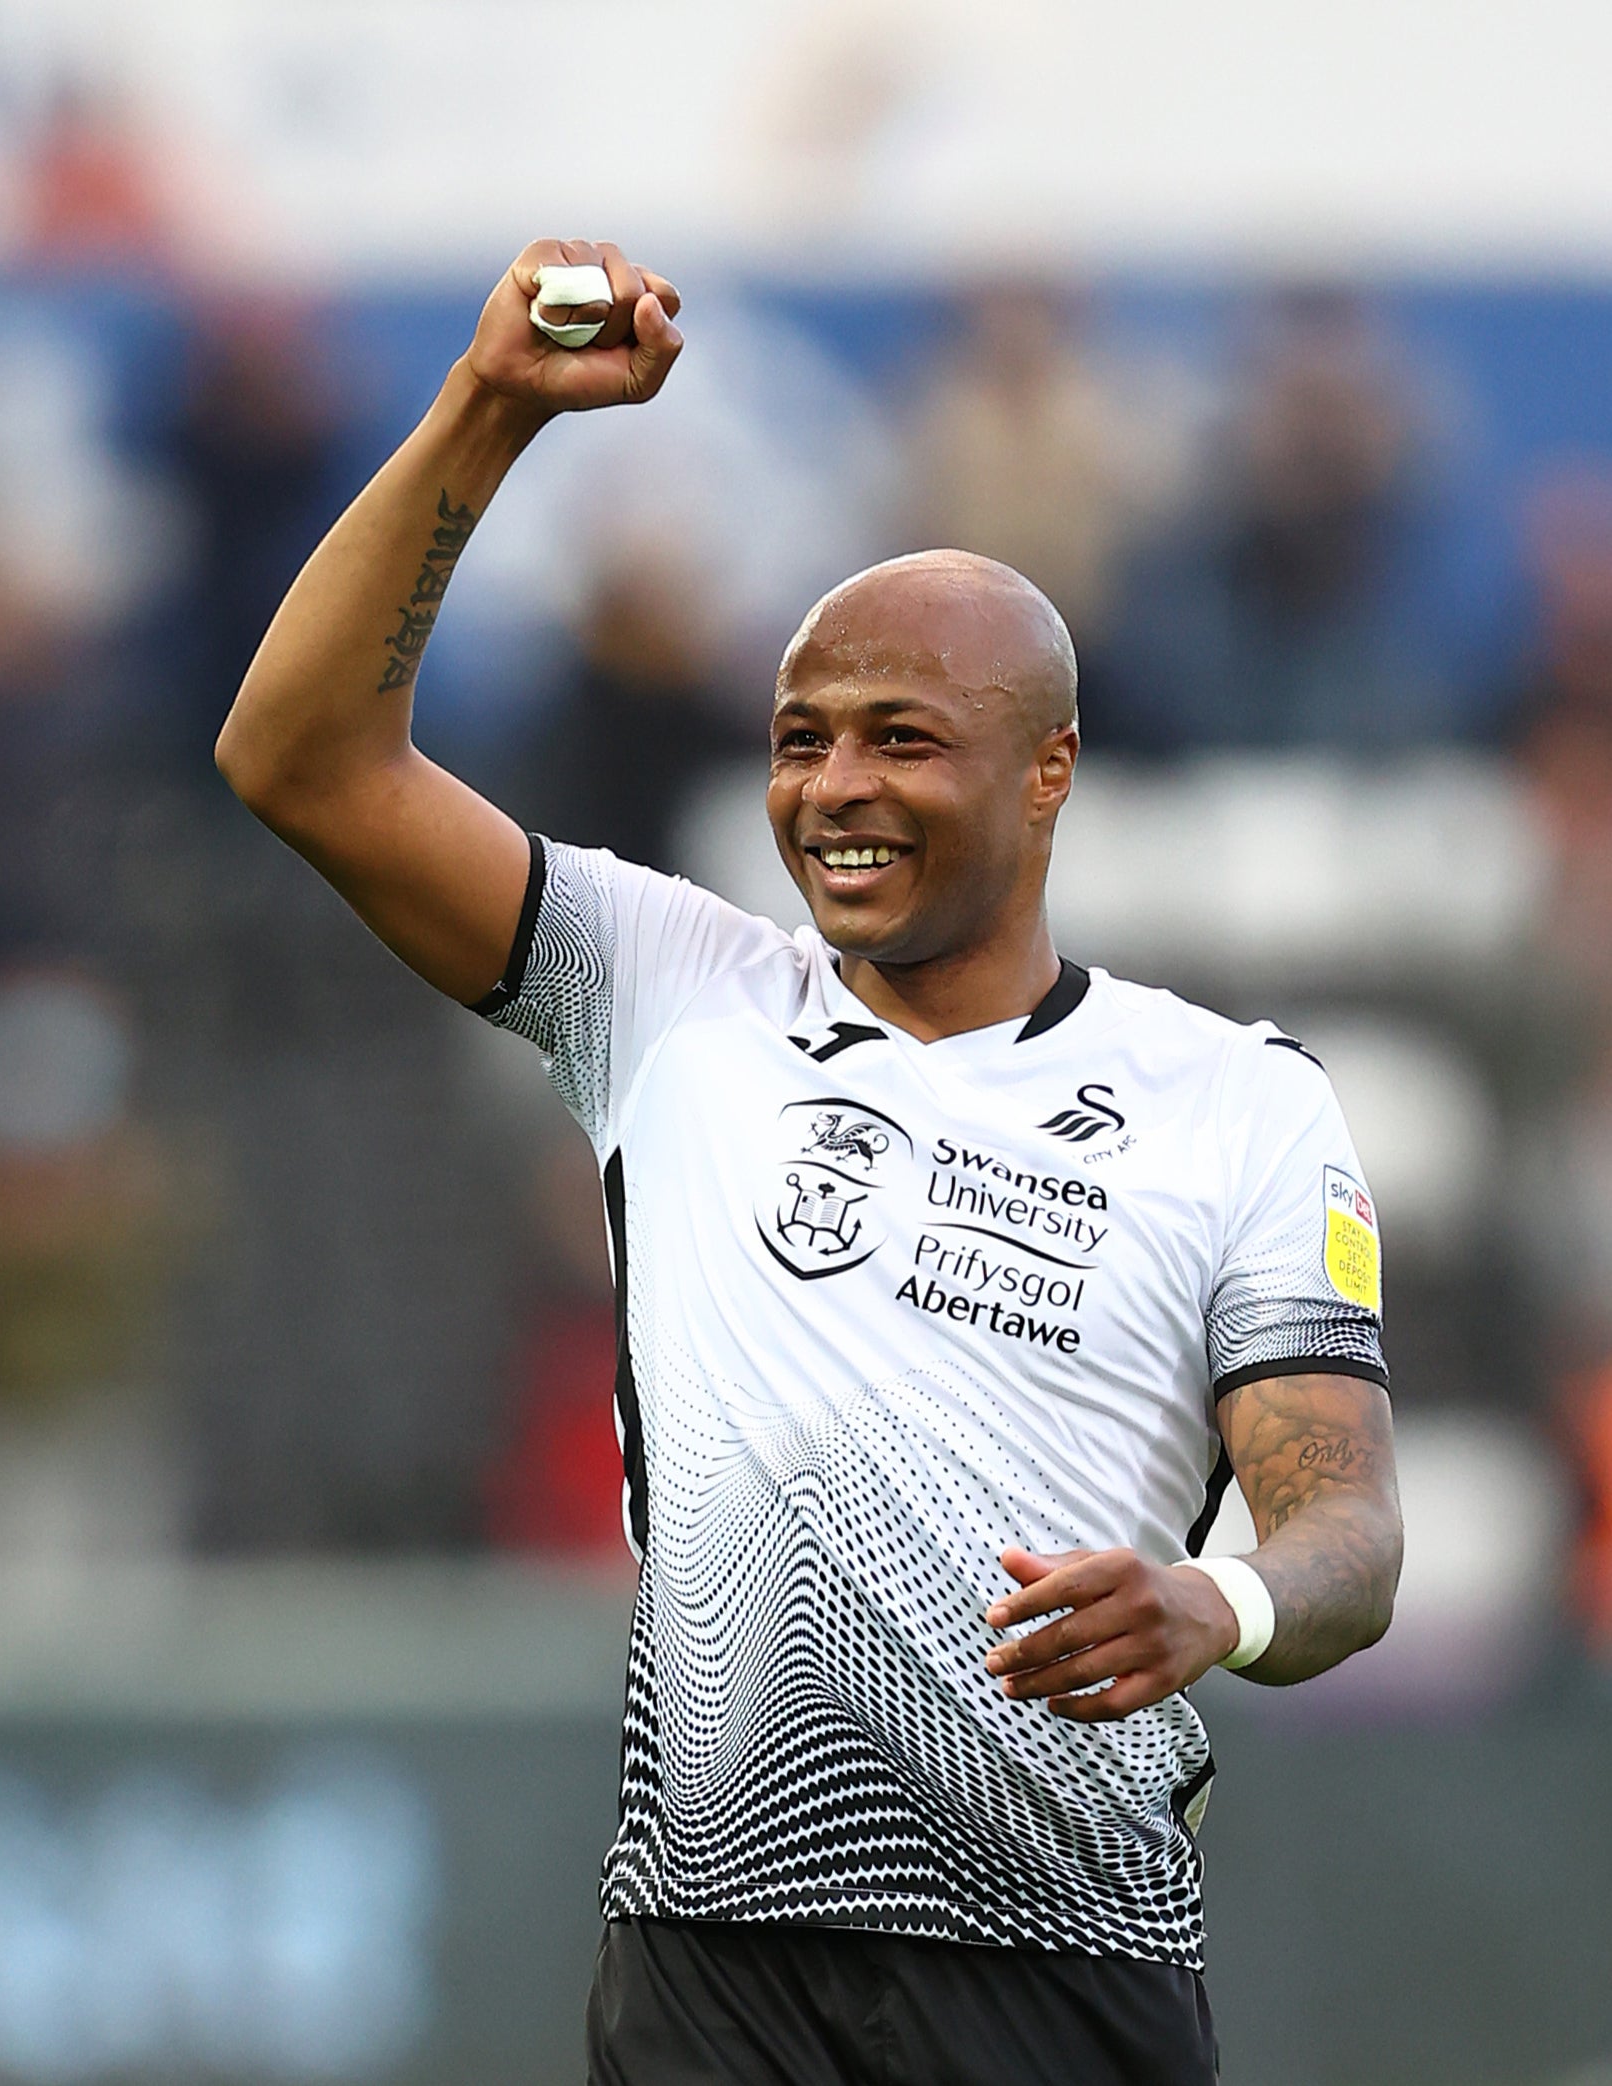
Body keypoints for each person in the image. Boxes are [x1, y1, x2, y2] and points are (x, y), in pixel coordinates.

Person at [216, 240, 1405, 2086]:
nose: (833, 785)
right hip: (711, 1962)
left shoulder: (1236, 1100)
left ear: (1047, 770)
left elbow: (1345, 1532)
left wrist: (1217, 1602)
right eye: (799, 739)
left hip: (1062, 1959)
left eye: (900, 738)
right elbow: (297, 757)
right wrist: (488, 412)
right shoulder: (663, 986)